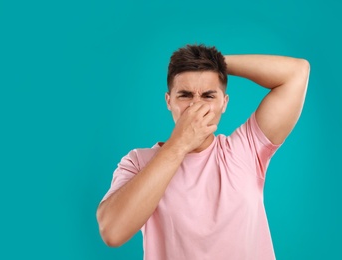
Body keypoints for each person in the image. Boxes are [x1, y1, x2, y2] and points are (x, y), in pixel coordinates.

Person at [96, 44, 310, 260]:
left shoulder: (246, 149)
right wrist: (180, 143)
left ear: (224, 103)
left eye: (208, 96)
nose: (196, 106)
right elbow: (112, 232)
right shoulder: (138, 162)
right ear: (168, 101)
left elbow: (296, 73)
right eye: (185, 95)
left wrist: (217, 62)